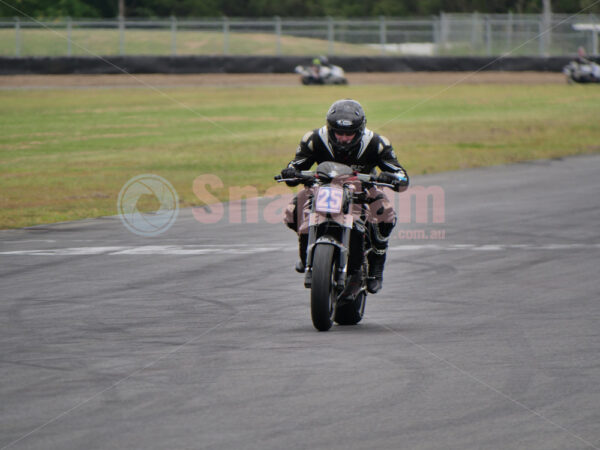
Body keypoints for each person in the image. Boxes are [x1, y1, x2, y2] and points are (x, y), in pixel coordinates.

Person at [280, 99, 409, 294]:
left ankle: (376, 266)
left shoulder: (377, 143)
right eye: (339, 133)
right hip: (322, 187)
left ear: (360, 130)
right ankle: (305, 249)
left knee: (385, 215)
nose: (343, 138)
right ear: (330, 128)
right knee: (293, 209)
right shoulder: (314, 139)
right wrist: (291, 172)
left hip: (362, 190)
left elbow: (401, 176)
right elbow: (296, 165)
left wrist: (391, 177)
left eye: (349, 134)